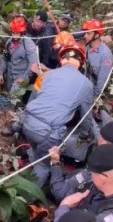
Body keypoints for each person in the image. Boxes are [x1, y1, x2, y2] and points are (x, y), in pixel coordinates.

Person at [19, 45, 97, 187]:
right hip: (47, 132)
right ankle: (27, 197)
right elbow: (86, 115)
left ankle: (28, 174)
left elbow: (35, 98)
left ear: (62, 60)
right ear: (81, 63)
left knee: (36, 154)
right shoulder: (86, 84)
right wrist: (85, 134)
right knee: (44, 165)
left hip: (28, 122)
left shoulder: (48, 75)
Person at [0, 16, 40, 100]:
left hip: (21, 76)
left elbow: (33, 63)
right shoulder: (9, 42)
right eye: (13, 33)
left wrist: (24, 77)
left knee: (14, 99)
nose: (15, 36)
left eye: (17, 33)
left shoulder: (28, 43)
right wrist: (1, 72)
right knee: (9, 97)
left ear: (22, 33)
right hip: (10, 76)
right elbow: (4, 58)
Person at [81, 19, 113, 94]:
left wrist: (94, 97)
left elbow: (102, 82)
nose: (85, 36)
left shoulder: (105, 55)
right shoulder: (87, 48)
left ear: (97, 35)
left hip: (93, 90)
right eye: (85, 33)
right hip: (85, 84)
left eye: (88, 34)